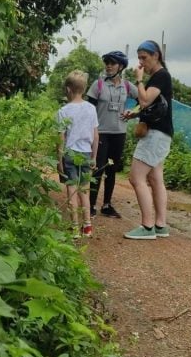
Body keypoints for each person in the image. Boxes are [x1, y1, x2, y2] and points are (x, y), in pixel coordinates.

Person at [122, 40, 174, 240]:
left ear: (156, 56)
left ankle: (147, 226)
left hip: (155, 134)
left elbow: (144, 100)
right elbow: (147, 107)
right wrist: (133, 114)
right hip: (160, 133)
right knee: (155, 178)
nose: (141, 63)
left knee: (136, 178)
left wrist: (138, 80)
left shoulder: (161, 76)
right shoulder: (158, 78)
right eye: (139, 58)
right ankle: (160, 225)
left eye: (144, 58)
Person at [85, 50, 139, 218]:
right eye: (107, 63)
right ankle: (91, 206)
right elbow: (88, 109)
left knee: (112, 170)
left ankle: (107, 205)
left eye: (112, 63)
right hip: (100, 133)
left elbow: (143, 100)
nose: (108, 66)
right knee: (98, 169)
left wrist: (134, 113)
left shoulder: (128, 86)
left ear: (121, 66)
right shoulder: (98, 84)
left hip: (119, 133)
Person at [56, 70, 99, 238]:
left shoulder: (63, 111)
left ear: (68, 89)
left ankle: (74, 228)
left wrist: (59, 161)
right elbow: (96, 135)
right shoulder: (91, 109)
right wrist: (94, 157)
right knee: (85, 191)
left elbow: (60, 139)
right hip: (87, 153)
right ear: (84, 88)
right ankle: (87, 226)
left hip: (70, 154)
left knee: (72, 191)